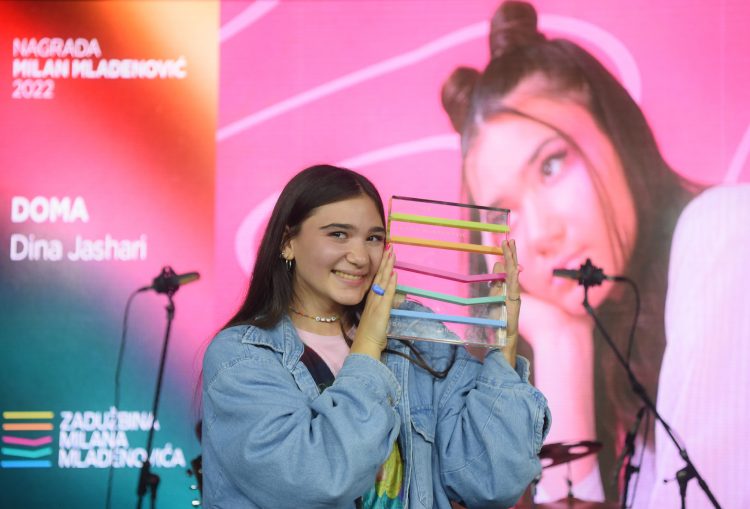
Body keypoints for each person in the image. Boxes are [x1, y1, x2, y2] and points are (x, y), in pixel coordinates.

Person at [441, 2, 750, 507]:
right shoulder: (622, 362)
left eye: (551, 166)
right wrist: (562, 345)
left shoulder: (725, 233)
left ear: (612, 131)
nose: (542, 234)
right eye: (505, 216)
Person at [201, 164, 550, 508]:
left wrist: (503, 339)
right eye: (338, 234)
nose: (360, 257)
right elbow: (317, 480)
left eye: (373, 238)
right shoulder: (241, 356)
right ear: (287, 243)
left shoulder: (416, 338)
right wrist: (368, 344)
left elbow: (490, 483)